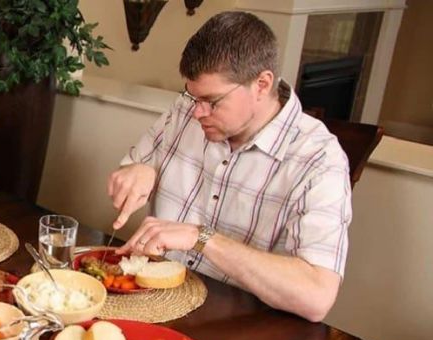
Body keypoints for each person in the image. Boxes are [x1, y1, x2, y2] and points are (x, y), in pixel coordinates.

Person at [107, 11, 351, 322]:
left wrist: (203, 238)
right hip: (155, 305)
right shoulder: (189, 109)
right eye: (192, 96)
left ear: (261, 84)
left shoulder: (319, 159)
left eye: (213, 101)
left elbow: (317, 296)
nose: (197, 113)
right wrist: (140, 171)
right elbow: (133, 168)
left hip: (242, 328)